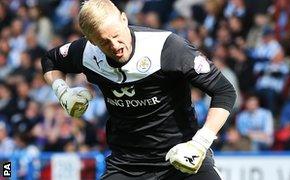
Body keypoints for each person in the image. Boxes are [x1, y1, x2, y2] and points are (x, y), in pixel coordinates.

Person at [41, 0, 236, 179]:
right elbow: (50, 60)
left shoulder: (167, 47)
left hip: (182, 157)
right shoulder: (86, 53)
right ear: (91, 41)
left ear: (124, 19)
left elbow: (224, 91)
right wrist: (63, 92)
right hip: (127, 165)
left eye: (117, 36)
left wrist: (200, 142)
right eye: (104, 42)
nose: (115, 46)